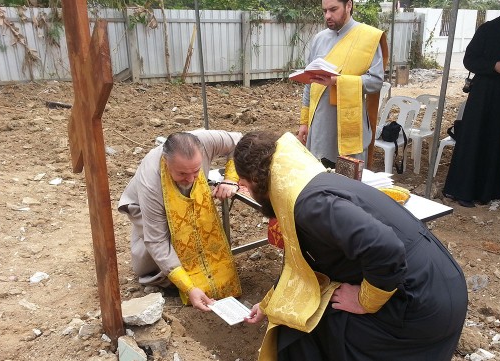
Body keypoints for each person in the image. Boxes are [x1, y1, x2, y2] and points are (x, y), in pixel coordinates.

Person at [234, 131, 468, 360]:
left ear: (256, 179)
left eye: (244, 185)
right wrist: (269, 304)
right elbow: (303, 264)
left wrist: (365, 300)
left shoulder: (310, 205)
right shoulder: (307, 183)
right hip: (442, 282)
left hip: (419, 303)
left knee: (301, 326)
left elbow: (385, 247)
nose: (248, 192)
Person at [118, 130, 243, 311]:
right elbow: (157, 240)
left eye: (196, 171)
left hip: (190, 201)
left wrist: (230, 179)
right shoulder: (151, 184)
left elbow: (239, 141)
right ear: (166, 162)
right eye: (183, 174)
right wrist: (189, 288)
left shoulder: (205, 141)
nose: (191, 179)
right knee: (159, 260)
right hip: (146, 206)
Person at [443, 0, 500, 207]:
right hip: (483, 92)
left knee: (497, 137)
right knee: (475, 138)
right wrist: (493, 66)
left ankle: (489, 191)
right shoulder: (487, 29)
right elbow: (469, 60)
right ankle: (463, 191)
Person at [296, 0, 387, 169]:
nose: (328, 16)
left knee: (349, 187)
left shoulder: (368, 37)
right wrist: (304, 122)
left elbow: (375, 82)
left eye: (333, 9)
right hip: (319, 128)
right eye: (324, 11)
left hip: (351, 129)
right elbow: (310, 83)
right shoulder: (319, 39)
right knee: (320, 182)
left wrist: (337, 81)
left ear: (349, 5)